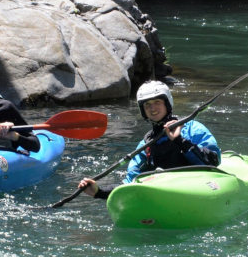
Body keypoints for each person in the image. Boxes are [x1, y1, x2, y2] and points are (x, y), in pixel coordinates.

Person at [77, 80, 220, 199]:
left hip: (195, 189)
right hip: (165, 194)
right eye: (147, 105)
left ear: (167, 104)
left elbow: (214, 162)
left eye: (157, 102)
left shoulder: (192, 129)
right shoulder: (145, 144)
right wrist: (99, 192)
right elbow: (130, 184)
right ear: (143, 110)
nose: (153, 108)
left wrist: (180, 141)